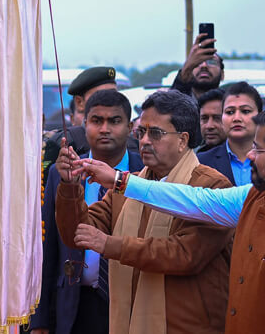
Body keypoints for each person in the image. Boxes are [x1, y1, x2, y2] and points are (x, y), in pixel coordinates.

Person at [73, 106, 265, 333]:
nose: (250, 156)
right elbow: (194, 200)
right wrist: (120, 181)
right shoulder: (254, 197)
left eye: (259, 149)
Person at [54, 90, 233, 334]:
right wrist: (69, 186)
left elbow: (185, 255)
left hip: (188, 326)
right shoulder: (130, 185)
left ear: (183, 140)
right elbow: (78, 232)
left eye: (156, 133)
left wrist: (111, 245)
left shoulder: (211, 186)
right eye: (142, 132)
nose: (145, 141)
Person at [32, 90, 144, 334]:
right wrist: (39, 320)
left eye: (114, 121)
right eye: (96, 121)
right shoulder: (64, 172)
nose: (104, 129)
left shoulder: (146, 173)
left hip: (133, 303)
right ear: (84, 125)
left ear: (130, 127)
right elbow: (48, 245)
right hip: (75, 302)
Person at [198, 82, 262, 186]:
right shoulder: (201, 162)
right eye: (230, 112)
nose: (236, 118)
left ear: (260, 115)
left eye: (245, 111)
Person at [171, 33, 225, 99]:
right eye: (198, 62)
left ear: (222, 74)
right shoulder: (179, 103)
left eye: (211, 62)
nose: (204, 66)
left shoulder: (229, 102)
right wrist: (186, 69)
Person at [197, 88, 226, 153]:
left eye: (217, 118)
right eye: (204, 118)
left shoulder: (250, 156)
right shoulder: (193, 157)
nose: (209, 126)